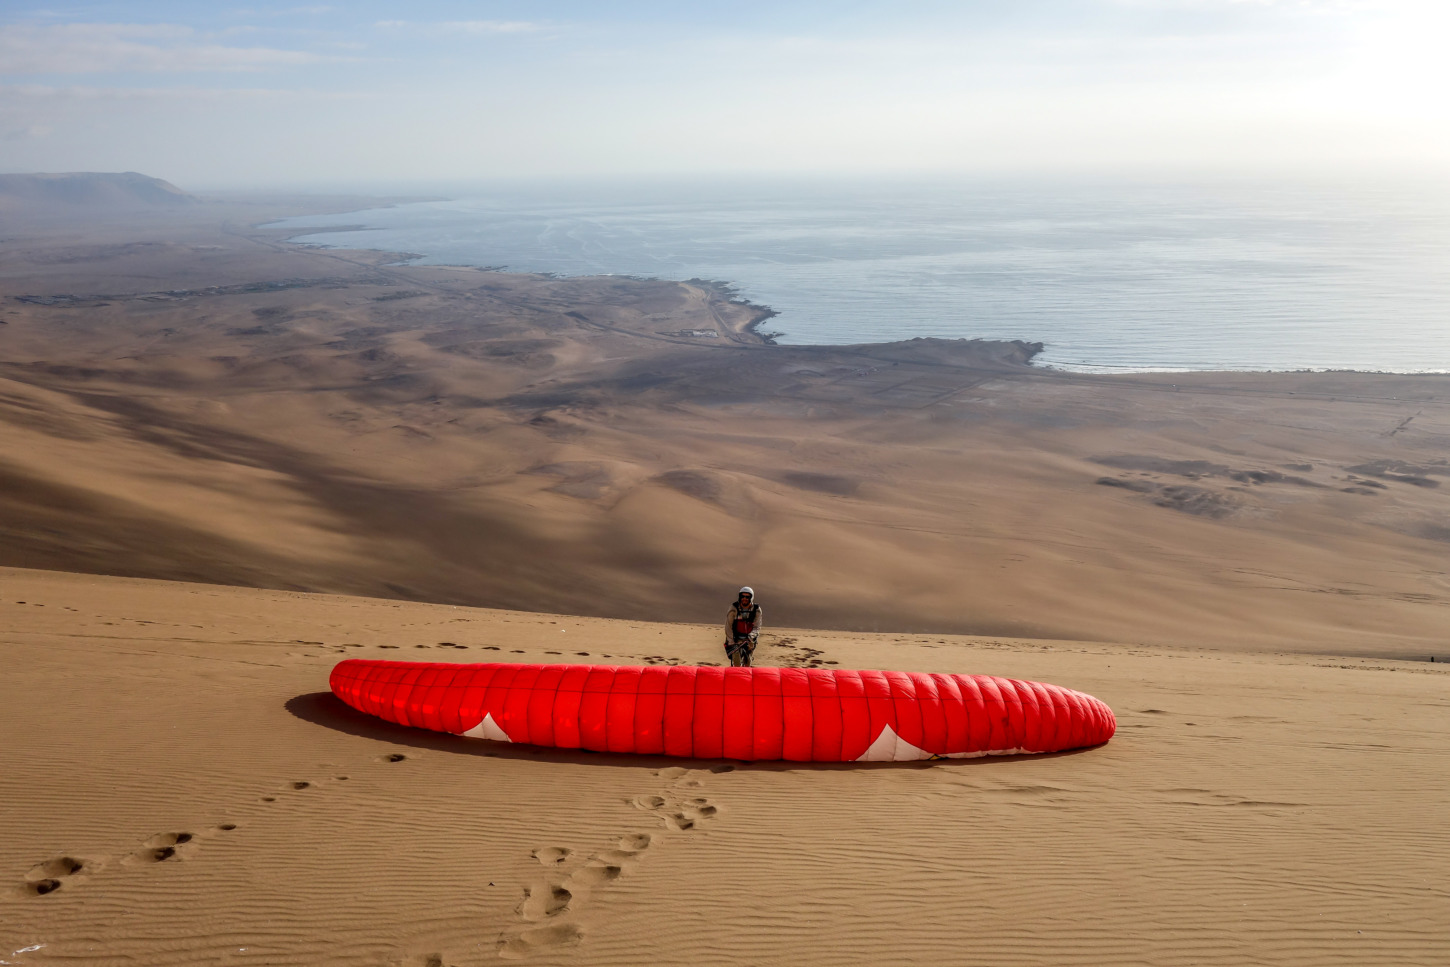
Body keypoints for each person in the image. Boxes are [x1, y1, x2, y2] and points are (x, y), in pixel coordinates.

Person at [724, 586, 762, 667]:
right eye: (742, 596)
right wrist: (731, 642)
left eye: (747, 597)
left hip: (749, 639)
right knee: (737, 663)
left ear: (751, 598)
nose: (744, 598)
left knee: (747, 663)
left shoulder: (756, 610)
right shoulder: (733, 608)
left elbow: (757, 627)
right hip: (735, 638)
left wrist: (750, 637)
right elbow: (728, 627)